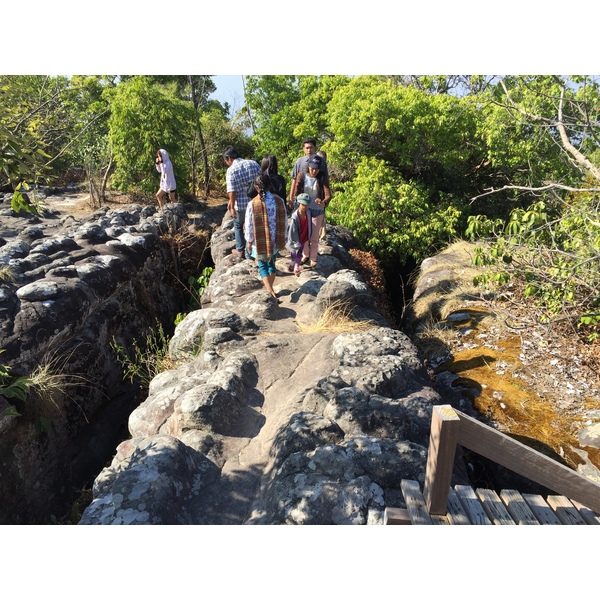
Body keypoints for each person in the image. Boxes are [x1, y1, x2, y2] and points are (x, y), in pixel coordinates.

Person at [244, 172, 288, 301]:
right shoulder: (278, 200)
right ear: (270, 185)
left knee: (262, 266)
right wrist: (284, 236)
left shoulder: (253, 204)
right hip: (275, 240)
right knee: (272, 265)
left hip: (260, 241)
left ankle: (269, 291)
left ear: (257, 187)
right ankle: (271, 288)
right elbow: (284, 219)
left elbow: (249, 224)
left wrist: (249, 240)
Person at [289, 154, 331, 269]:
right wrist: (297, 201)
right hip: (305, 209)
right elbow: (296, 191)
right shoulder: (301, 175)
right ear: (308, 166)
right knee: (304, 235)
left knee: (314, 237)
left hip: (318, 210)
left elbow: (328, 194)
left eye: (317, 168)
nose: (314, 171)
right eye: (312, 168)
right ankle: (305, 255)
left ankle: (313, 258)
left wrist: (323, 202)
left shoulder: (322, 177)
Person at [223, 145, 261, 259]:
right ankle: (257, 250)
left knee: (238, 225)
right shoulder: (254, 164)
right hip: (257, 202)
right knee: (256, 226)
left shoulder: (231, 170)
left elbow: (232, 191)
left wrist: (232, 205)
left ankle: (241, 250)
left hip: (242, 204)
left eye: (226, 161)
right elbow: (262, 181)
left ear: (228, 158)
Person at [289, 137, 328, 204]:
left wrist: (324, 201)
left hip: (317, 200)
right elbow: (294, 180)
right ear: (303, 148)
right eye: (307, 148)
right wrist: (291, 199)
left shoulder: (321, 161)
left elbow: (325, 180)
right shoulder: (300, 161)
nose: (309, 150)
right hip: (302, 200)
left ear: (315, 147)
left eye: (311, 148)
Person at [286, 193, 312, 276]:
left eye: (306, 205)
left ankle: (296, 267)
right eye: (303, 205)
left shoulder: (308, 212)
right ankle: (292, 261)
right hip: (294, 239)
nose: (305, 207)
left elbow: (316, 212)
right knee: (293, 252)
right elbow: (293, 231)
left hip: (303, 236)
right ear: (299, 204)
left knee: (300, 252)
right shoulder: (295, 217)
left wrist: (322, 206)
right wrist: (296, 242)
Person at [316, 150, 329, 245]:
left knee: (322, 217)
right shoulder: (311, 169)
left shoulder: (324, 171)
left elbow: (326, 187)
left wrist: (325, 200)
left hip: (321, 198)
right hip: (312, 197)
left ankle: (322, 237)